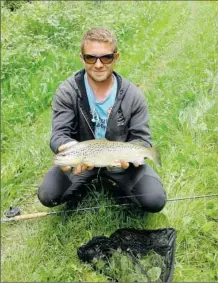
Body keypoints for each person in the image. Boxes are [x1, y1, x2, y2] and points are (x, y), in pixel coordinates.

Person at [38, 27, 166, 212]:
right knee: (48, 195)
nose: (98, 64)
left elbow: (142, 138)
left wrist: (131, 158)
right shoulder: (67, 92)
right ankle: (85, 183)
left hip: (120, 163)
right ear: (82, 58)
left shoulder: (133, 95)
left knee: (154, 200)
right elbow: (59, 134)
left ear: (116, 57)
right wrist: (66, 146)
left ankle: (118, 184)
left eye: (106, 57)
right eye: (91, 58)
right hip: (82, 164)